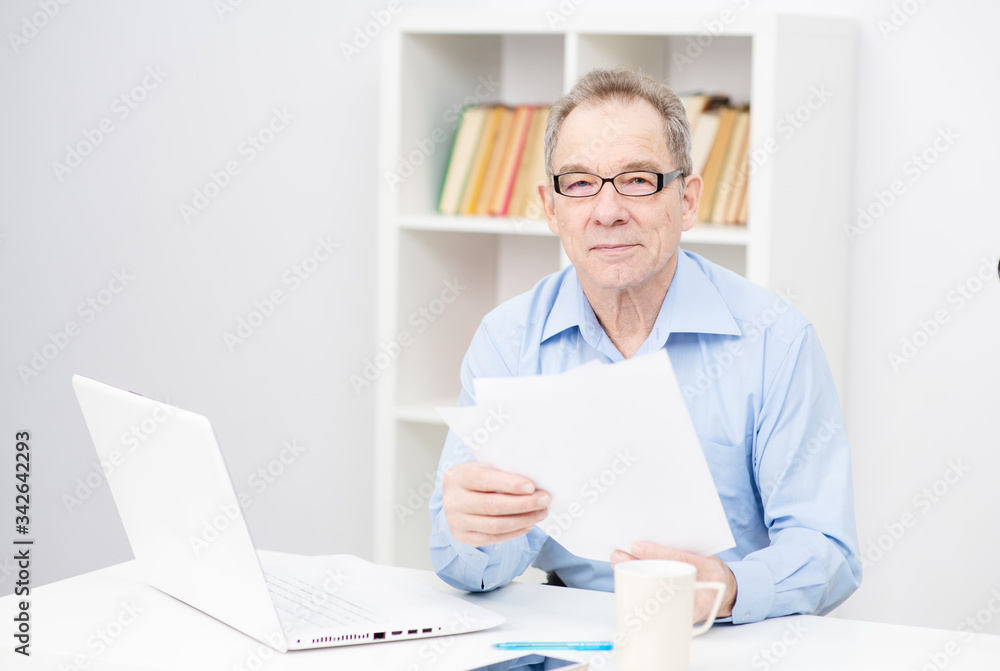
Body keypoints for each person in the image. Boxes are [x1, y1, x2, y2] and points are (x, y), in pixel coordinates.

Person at [428, 66, 862, 624]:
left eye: (637, 179)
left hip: (731, 639)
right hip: (570, 636)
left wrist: (729, 588)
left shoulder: (775, 340)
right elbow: (468, 568)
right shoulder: (507, 340)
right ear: (551, 207)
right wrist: (475, 535)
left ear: (686, 200)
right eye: (580, 183)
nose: (607, 211)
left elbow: (829, 550)